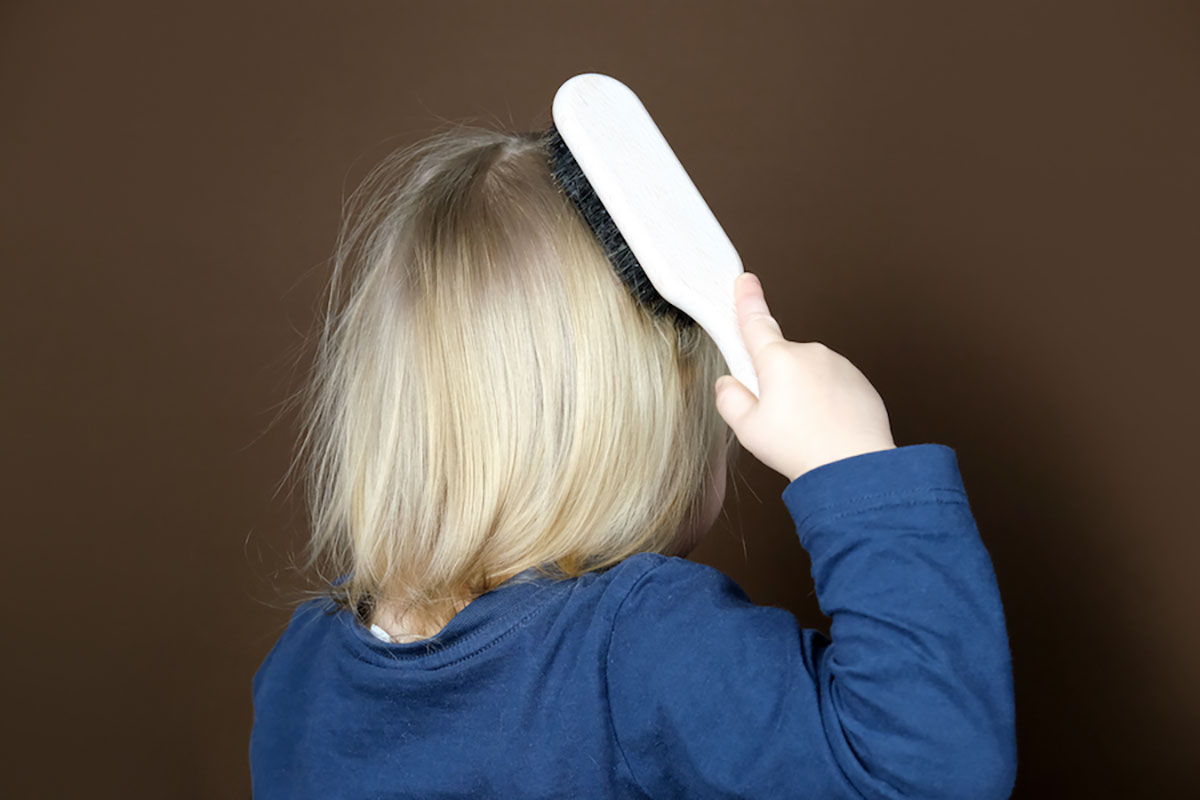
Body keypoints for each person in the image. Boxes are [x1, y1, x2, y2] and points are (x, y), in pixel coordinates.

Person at [250, 126, 1016, 798]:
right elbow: (928, 773)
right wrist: (852, 465)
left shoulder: (301, 667)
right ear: (652, 427)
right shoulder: (638, 644)